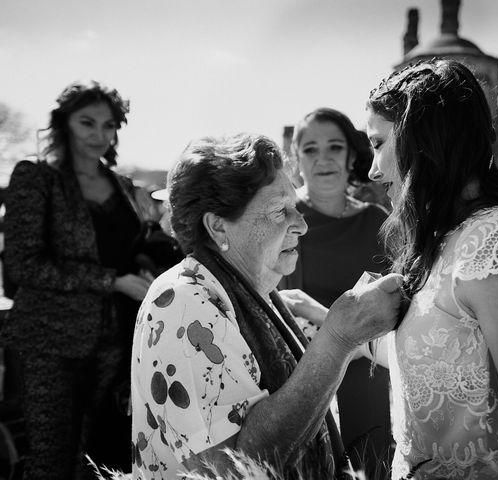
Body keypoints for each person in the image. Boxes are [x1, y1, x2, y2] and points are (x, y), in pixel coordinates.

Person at [131, 133, 404, 479]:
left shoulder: (258, 294)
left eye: (296, 207)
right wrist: (336, 340)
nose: (301, 225)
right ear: (218, 227)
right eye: (280, 211)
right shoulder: (183, 304)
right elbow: (232, 468)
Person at [363, 59, 498, 479]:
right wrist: (331, 323)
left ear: (420, 138)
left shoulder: (494, 247)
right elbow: (443, 361)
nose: (372, 170)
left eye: (377, 144)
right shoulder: (442, 240)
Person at [0, 79, 152, 479]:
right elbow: (23, 264)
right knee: (52, 459)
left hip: (116, 343)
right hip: (50, 342)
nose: (99, 135)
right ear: (64, 123)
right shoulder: (36, 178)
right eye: (88, 123)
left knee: (100, 457)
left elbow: (126, 246)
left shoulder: (121, 186)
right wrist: (112, 281)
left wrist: (140, 264)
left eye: (109, 125)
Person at [279, 107, 393, 478]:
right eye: (310, 149)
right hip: (300, 378)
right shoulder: (277, 218)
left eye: (334, 147)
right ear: (296, 159)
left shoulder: (378, 220)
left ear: (351, 155)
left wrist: (322, 314)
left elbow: (396, 310)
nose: (323, 158)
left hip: (370, 379)